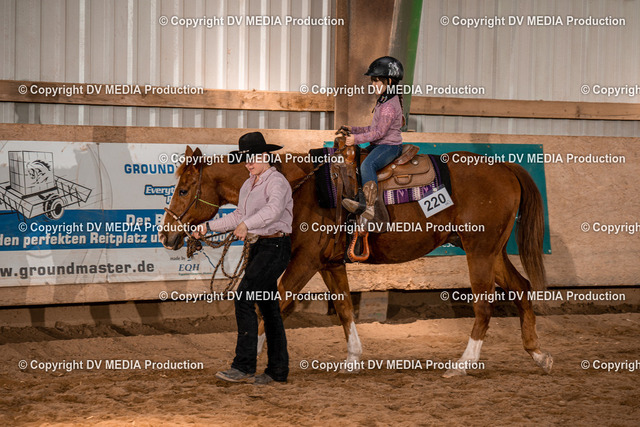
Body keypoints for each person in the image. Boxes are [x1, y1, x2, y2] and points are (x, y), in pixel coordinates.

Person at [193, 131, 293, 385]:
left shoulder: (277, 182)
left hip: (275, 246)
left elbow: (274, 210)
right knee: (269, 309)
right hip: (262, 248)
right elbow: (238, 216)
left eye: (252, 158)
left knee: (244, 298)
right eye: (245, 159)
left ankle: (244, 365)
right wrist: (207, 227)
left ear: (265, 155)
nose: (248, 163)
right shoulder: (249, 184)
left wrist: (247, 224)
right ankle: (277, 371)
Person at [340, 56, 405, 220]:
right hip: (379, 145)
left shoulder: (389, 106)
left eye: (377, 81)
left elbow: (379, 133)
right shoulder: (383, 100)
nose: (373, 84)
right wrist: (354, 129)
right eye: (373, 81)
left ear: (388, 81)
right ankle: (360, 197)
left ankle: (370, 207)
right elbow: (373, 129)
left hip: (389, 146)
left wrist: (356, 139)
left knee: (367, 165)